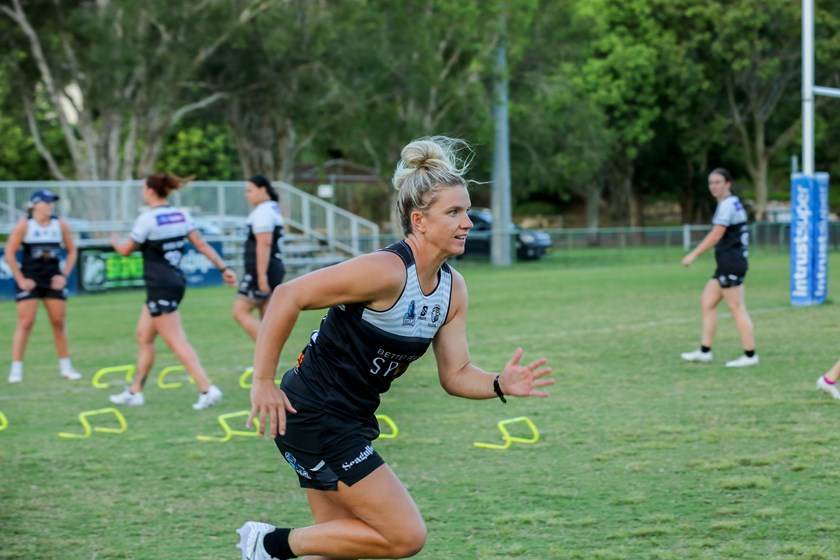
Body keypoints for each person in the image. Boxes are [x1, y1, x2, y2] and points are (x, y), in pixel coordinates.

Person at [236, 136, 554, 560]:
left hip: (348, 418)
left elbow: (456, 375)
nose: (467, 223)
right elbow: (286, 296)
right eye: (454, 212)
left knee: (338, 545)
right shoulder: (385, 271)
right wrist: (262, 381)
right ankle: (270, 543)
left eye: (467, 212)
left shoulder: (452, 289)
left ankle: (274, 548)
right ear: (419, 221)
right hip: (315, 413)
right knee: (405, 536)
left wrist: (499, 382)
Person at [108, 172, 237, 410]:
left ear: (150, 191)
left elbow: (126, 249)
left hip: (160, 284)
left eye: (142, 189)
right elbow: (200, 244)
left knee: (176, 341)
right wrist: (223, 267)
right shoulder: (181, 214)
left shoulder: (147, 219)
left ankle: (207, 389)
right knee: (143, 337)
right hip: (175, 281)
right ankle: (135, 392)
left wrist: (114, 241)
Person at [681, 167, 758, 368]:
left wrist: (693, 254)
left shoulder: (727, 206)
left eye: (718, 182)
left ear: (728, 184)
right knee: (707, 303)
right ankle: (705, 351)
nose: (713, 186)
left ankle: (750, 355)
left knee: (737, 308)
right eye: (711, 182)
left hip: (731, 263)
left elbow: (716, 234)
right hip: (726, 263)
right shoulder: (731, 203)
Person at [6, 189, 82, 383]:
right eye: (46, 202)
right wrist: (21, 279)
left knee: (58, 323)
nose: (50, 205)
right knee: (25, 323)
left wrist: (64, 275)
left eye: (52, 202)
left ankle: (66, 367)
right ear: (35, 205)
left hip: (53, 280)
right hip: (31, 280)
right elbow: (9, 253)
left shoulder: (60, 224)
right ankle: (16, 370)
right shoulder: (25, 225)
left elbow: (72, 251)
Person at [232, 174, 286, 341]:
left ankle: (265, 352)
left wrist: (261, 275)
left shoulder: (263, 211)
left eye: (250, 190)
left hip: (263, 270)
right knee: (267, 318)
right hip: (272, 267)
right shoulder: (271, 209)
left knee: (240, 311)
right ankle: (268, 364)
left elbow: (264, 243)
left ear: (263, 190)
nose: (247, 195)